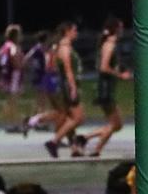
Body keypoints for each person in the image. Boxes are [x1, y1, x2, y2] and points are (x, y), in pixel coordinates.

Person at [81, 16, 132, 157]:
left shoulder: (111, 43)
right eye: (120, 27)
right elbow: (104, 67)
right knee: (116, 124)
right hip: (105, 88)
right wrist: (120, 75)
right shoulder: (109, 45)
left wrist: (121, 70)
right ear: (115, 29)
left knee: (115, 124)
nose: (122, 30)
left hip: (107, 87)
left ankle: (90, 144)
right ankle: (89, 142)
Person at [45, 21, 85, 158]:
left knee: (71, 117)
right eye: (74, 30)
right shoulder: (64, 48)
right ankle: (54, 141)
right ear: (67, 31)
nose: (76, 32)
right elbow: (68, 71)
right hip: (69, 86)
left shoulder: (63, 47)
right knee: (78, 118)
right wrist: (73, 88)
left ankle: (74, 148)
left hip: (66, 86)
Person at [0, 24, 25, 132]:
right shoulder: (13, 47)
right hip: (14, 76)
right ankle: (13, 124)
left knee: (9, 100)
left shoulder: (5, 46)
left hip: (7, 75)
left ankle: (10, 122)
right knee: (13, 100)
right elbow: (15, 61)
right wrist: (21, 64)